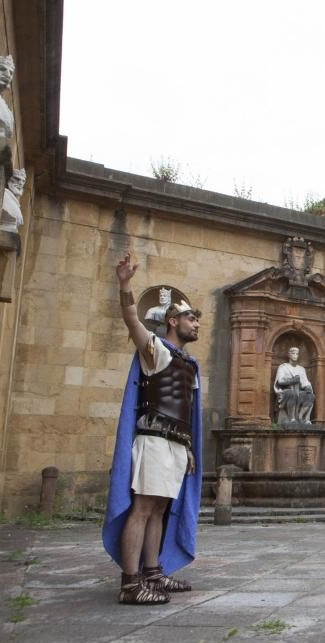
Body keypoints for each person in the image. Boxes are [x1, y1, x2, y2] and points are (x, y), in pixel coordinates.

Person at [102, 253, 202, 605]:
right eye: (192, 318)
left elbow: (185, 410)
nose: (197, 324)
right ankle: (131, 584)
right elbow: (131, 320)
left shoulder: (188, 363)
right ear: (173, 321)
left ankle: (153, 573)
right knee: (143, 507)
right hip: (154, 440)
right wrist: (125, 285)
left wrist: (188, 447)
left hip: (175, 443)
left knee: (159, 509)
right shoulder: (155, 351)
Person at [274, 347, 315, 424]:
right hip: (286, 391)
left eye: (297, 353)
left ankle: (302, 418)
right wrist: (292, 380)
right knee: (291, 394)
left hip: (299, 391)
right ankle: (291, 418)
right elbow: (280, 381)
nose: (295, 355)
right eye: (293, 353)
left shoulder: (301, 369)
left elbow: (305, 382)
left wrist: (308, 387)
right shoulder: (283, 367)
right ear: (289, 355)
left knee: (310, 396)